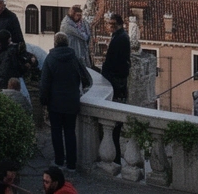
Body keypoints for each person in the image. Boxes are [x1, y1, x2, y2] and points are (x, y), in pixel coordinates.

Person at [39, 32, 91, 173]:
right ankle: (72, 164)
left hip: (55, 103)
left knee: (56, 132)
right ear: (67, 43)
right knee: (70, 132)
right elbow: (86, 78)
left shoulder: (50, 59)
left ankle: (59, 161)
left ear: (55, 43)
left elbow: (44, 83)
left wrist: (43, 100)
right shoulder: (74, 58)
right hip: (72, 101)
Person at [101, 13, 131, 103]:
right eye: (110, 23)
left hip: (117, 74)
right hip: (118, 73)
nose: (111, 26)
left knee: (116, 98)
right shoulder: (119, 35)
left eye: (114, 24)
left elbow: (118, 58)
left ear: (120, 24)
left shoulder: (121, 37)